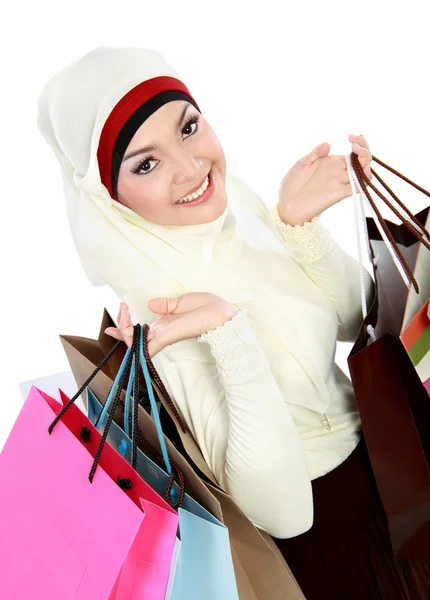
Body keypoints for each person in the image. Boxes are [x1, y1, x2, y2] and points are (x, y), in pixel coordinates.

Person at [37, 47, 430, 599]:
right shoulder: (162, 321)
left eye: (189, 127)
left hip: (399, 486)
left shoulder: (236, 220)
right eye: (145, 164)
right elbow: (285, 512)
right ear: (109, 198)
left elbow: (353, 326)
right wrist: (229, 336)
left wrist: (299, 229)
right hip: (326, 557)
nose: (191, 166)